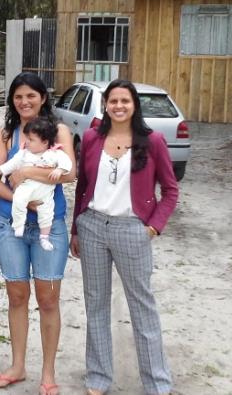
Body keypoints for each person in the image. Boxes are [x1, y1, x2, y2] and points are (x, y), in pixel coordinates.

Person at [70, 78, 178, 395]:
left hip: (132, 229)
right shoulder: (92, 138)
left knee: (142, 306)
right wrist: (76, 228)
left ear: (134, 105)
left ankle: (157, 382)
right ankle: (98, 377)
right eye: (113, 101)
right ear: (105, 105)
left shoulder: (153, 141)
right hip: (92, 227)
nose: (118, 106)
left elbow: (170, 190)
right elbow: (81, 187)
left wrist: (153, 226)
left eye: (125, 101)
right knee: (96, 305)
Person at [0, 72, 76, 395]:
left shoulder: (58, 131)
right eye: (18, 97)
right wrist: (23, 201)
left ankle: (48, 373)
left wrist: (26, 172)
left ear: (43, 98)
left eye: (31, 96)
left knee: (48, 298)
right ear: (12, 101)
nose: (24, 102)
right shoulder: (7, 134)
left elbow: (70, 173)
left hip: (51, 226)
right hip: (12, 225)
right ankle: (18, 365)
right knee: (17, 296)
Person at [0, 116, 72, 251]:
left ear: (44, 142)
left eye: (31, 140)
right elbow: (12, 163)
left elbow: (67, 164)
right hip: (26, 187)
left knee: (47, 213)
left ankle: (44, 237)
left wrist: (60, 169)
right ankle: (18, 225)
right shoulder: (24, 153)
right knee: (19, 200)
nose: (26, 142)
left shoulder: (55, 153)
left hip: (45, 192)